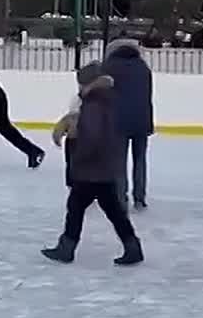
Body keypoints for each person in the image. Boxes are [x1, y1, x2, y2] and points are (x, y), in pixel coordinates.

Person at [42, 62, 143, 266]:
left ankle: (66, 248)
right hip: (104, 165)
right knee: (112, 209)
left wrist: (78, 157)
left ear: (89, 84)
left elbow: (93, 136)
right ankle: (132, 247)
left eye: (80, 84)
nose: (78, 89)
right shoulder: (107, 99)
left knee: (76, 206)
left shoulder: (94, 104)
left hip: (92, 167)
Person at [103, 37, 154, 211]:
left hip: (118, 121)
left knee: (119, 162)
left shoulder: (109, 68)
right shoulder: (143, 68)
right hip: (142, 120)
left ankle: (120, 198)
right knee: (140, 160)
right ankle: (140, 198)